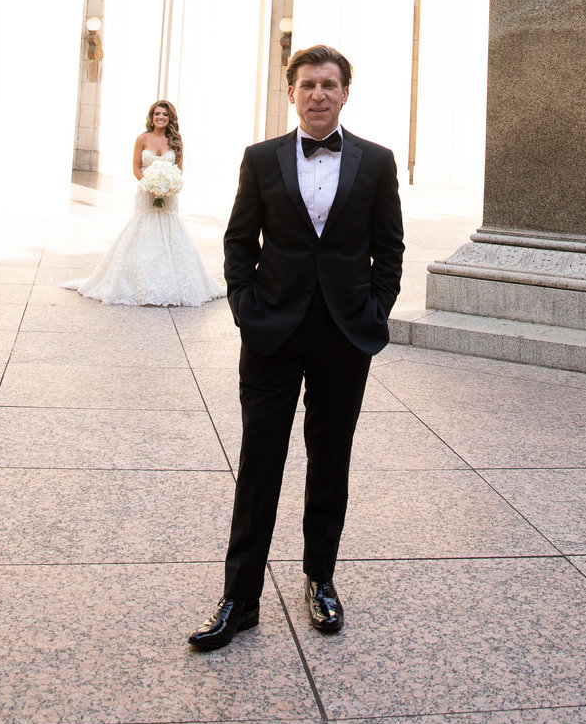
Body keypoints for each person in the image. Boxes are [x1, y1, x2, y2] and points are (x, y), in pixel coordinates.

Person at [187, 44, 405, 651]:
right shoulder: (261, 159)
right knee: (260, 462)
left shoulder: (377, 163)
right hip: (272, 335)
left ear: (344, 93)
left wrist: (372, 312)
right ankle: (240, 597)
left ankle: (321, 580)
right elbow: (238, 242)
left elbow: (390, 251)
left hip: (343, 336)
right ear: (291, 93)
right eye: (307, 84)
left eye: (328, 85)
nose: (317, 94)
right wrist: (245, 310)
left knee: (329, 460)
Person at [63, 99, 223, 307]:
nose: (160, 118)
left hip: (168, 197)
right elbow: (136, 168)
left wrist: (167, 186)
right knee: (143, 228)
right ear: (152, 116)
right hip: (146, 194)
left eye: (164, 115)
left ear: (170, 118)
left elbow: (179, 169)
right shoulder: (142, 139)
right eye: (157, 114)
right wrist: (149, 184)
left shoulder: (176, 141)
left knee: (170, 228)